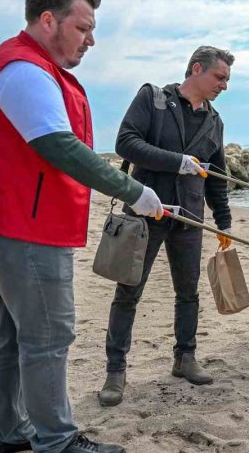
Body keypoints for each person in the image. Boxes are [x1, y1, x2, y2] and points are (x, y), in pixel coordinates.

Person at [0, 0, 164, 453]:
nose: (91, 39)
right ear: (49, 21)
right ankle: (57, 444)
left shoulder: (28, 64)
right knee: (49, 331)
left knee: (13, 327)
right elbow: (58, 145)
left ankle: (9, 430)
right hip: (18, 225)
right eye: (83, 27)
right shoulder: (23, 69)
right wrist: (135, 192)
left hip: (2, 219)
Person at [98, 46, 234, 407]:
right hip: (145, 214)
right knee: (128, 292)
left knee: (188, 292)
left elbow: (217, 178)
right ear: (196, 69)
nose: (224, 85)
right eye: (220, 77)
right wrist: (179, 163)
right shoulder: (153, 98)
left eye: (227, 80)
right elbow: (126, 143)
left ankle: (185, 357)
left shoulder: (214, 121)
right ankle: (115, 370)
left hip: (189, 219)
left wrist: (224, 223)